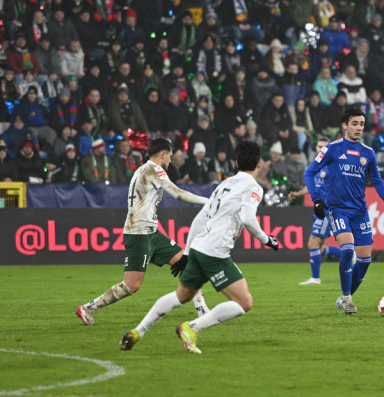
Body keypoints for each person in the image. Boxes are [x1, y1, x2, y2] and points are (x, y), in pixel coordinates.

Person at [120, 141, 281, 353]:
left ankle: (138, 331)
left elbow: (199, 219)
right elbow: (248, 218)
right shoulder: (253, 187)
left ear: (236, 163)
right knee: (244, 302)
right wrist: (267, 239)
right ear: (259, 164)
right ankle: (192, 327)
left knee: (181, 296)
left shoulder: (224, 185)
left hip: (197, 247)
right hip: (214, 252)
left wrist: (186, 253)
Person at [77, 138, 210, 326]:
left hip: (151, 232)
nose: (170, 161)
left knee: (187, 264)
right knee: (132, 286)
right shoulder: (154, 169)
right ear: (163, 155)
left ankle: (203, 311)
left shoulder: (142, 170)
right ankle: (89, 307)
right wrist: (208, 201)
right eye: (170, 156)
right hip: (138, 233)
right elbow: (179, 194)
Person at [303, 107, 384, 314]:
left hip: (360, 211)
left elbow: (377, 181)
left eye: (362, 124)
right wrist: (317, 200)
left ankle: (344, 297)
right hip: (338, 210)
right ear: (344, 125)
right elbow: (309, 173)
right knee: (347, 250)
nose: (358, 128)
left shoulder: (368, 153)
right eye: (354, 124)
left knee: (365, 259)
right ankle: (347, 299)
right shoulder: (332, 148)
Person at [288, 136, 342, 285]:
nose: (321, 149)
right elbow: (313, 185)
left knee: (312, 243)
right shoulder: (316, 166)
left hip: (326, 210)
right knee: (321, 247)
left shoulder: (332, 166)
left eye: (324, 147)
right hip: (318, 209)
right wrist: (298, 193)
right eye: (319, 147)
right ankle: (349, 255)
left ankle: (315, 278)